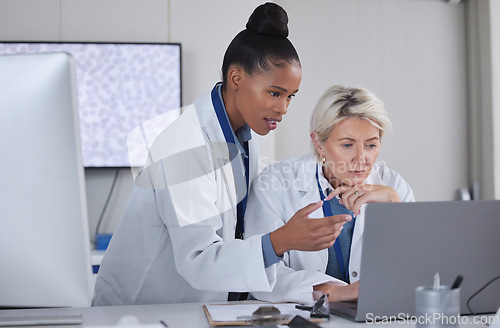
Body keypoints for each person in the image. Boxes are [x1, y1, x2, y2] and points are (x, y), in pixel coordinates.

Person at [93, 3, 349, 306]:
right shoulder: (186, 144)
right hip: (141, 307)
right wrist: (282, 240)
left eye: (290, 96)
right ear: (236, 78)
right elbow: (199, 257)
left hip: (201, 306)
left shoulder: (244, 135)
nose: (283, 109)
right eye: (274, 93)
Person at [245, 85, 415, 303]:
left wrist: (396, 210)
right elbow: (259, 270)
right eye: (347, 145)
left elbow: (414, 271)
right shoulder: (276, 183)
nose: (361, 158)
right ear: (319, 144)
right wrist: (333, 293)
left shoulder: (394, 188)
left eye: (371, 145)